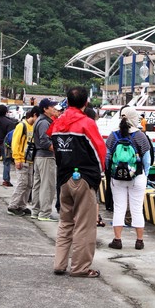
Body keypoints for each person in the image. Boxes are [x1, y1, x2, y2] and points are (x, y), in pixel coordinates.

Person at [47, 86, 106, 278]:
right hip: (84, 178)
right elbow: (99, 152)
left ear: (67, 102)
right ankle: (80, 267)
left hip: (63, 178)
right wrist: (99, 174)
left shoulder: (56, 123)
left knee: (65, 222)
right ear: (86, 102)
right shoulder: (86, 123)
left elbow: (55, 150)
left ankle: (59, 263)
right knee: (84, 224)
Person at [106, 107, 151, 250]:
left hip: (117, 177)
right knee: (137, 209)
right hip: (137, 176)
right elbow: (147, 160)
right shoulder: (140, 136)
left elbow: (107, 157)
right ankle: (139, 241)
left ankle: (117, 240)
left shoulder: (114, 135)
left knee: (119, 208)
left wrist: (110, 171)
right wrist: (145, 174)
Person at [7, 107, 40, 216]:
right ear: (34, 115)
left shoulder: (33, 127)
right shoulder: (22, 126)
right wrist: (17, 158)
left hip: (30, 159)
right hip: (21, 159)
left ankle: (22, 205)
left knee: (29, 184)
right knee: (22, 183)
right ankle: (13, 205)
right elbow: (15, 143)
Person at [31, 98, 59, 221]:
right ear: (45, 109)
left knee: (38, 185)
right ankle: (45, 213)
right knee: (47, 185)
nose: (54, 109)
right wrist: (56, 150)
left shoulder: (41, 120)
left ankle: (36, 211)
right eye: (51, 107)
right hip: (46, 156)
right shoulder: (44, 122)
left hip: (40, 157)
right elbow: (44, 141)